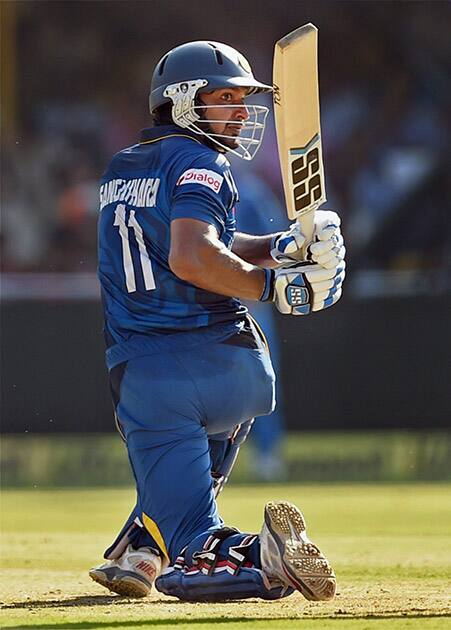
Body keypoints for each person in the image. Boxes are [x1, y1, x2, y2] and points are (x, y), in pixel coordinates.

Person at [90, 40, 345, 603]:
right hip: (238, 369)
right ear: (181, 101)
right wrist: (275, 277)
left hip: (156, 380)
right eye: (224, 97)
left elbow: (191, 254)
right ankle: (143, 544)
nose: (239, 110)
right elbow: (201, 250)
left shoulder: (123, 166)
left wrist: (275, 260)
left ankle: (261, 557)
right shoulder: (202, 163)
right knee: (182, 483)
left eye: (240, 98)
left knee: (194, 548)